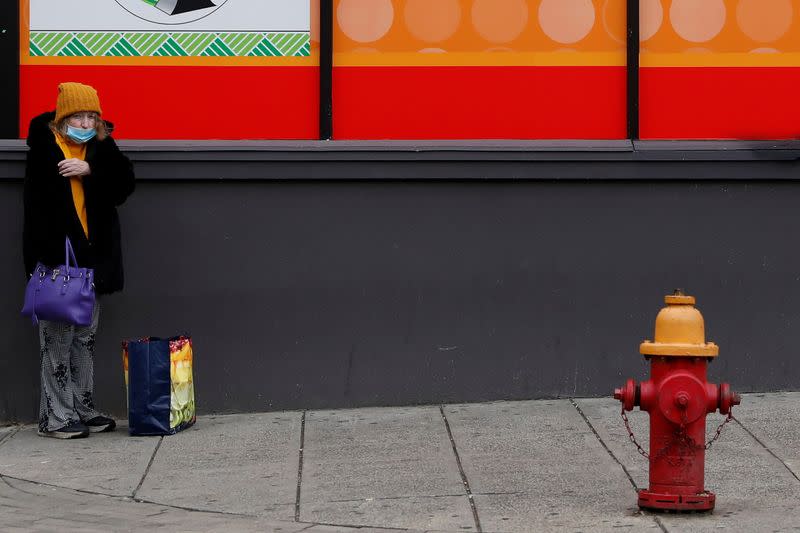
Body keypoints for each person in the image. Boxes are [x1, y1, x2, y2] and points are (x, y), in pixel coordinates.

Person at [23, 82, 135, 439]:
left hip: (93, 261)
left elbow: (124, 186)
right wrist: (42, 262)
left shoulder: (101, 146)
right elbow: (34, 210)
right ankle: (55, 417)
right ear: (62, 117)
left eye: (91, 116)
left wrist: (90, 172)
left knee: (84, 339)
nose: (86, 123)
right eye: (78, 116)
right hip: (59, 262)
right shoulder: (45, 147)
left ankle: (82, 407)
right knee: (56, 341)